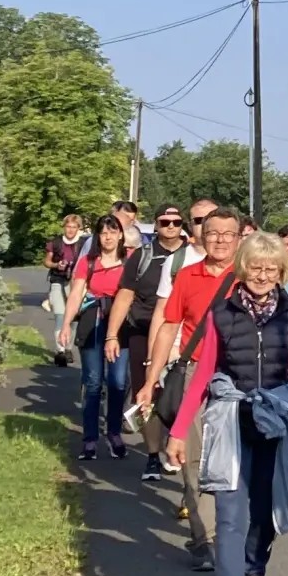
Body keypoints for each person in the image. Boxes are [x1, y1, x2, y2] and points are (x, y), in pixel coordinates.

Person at [166, 233, 288, 576]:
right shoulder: (221, 313)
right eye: (255, 267)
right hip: (229, 422)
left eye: (270, 269)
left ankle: (253, 575)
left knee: (263, 513)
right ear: (243, 268)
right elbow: (203, 374)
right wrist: (178, 431)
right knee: (229, 514)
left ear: (281, 272)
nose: (262, 276)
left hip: (275, 424)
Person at [137, 207, 242, 572]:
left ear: (239, 238)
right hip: (196, 372)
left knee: (236, 459)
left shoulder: (249, 276)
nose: (220, 240)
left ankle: (234, 534)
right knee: (192, 459)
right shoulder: (186, 275)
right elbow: (169, 327)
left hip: (240, 378)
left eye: (229, 233)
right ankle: (204, 538)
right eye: (213, 232)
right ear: (200, 236)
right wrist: (151, 379)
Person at [104, 203, 191, 482]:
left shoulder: (193, 256)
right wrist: (112, 334)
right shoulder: (142, 256)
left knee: (182, 394)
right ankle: (153, 456)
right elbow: (125, 295)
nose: (170, 227)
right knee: (146, 395)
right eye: (165, 222)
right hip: (143, 332)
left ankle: (180, 450)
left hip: (184, 334)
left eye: (176, 222)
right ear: (155, 225)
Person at [59, 215, 134, 461]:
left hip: (121, 322)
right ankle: (90, 438)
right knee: (92, 382)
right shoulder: (88, 263)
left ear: (121, 234)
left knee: (118, 382)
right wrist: (66, 324)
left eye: (113, 232)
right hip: (93, 320)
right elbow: (76, 293)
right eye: (103, 233)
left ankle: (113, 432)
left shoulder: (130, 260)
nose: (108, 237)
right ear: (97, 237)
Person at [43, 215, 85, 366]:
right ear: (64, 227)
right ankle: (60, 351)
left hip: (77, 282)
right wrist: (56, 265)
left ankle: (67, 347)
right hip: (58, 281)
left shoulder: (83, 244)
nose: (71, 230)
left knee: (73, 319)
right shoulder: (55, 243)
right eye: (68, 226)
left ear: (78, 228)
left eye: (74, 227)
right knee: (60, 316)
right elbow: (47, 261)